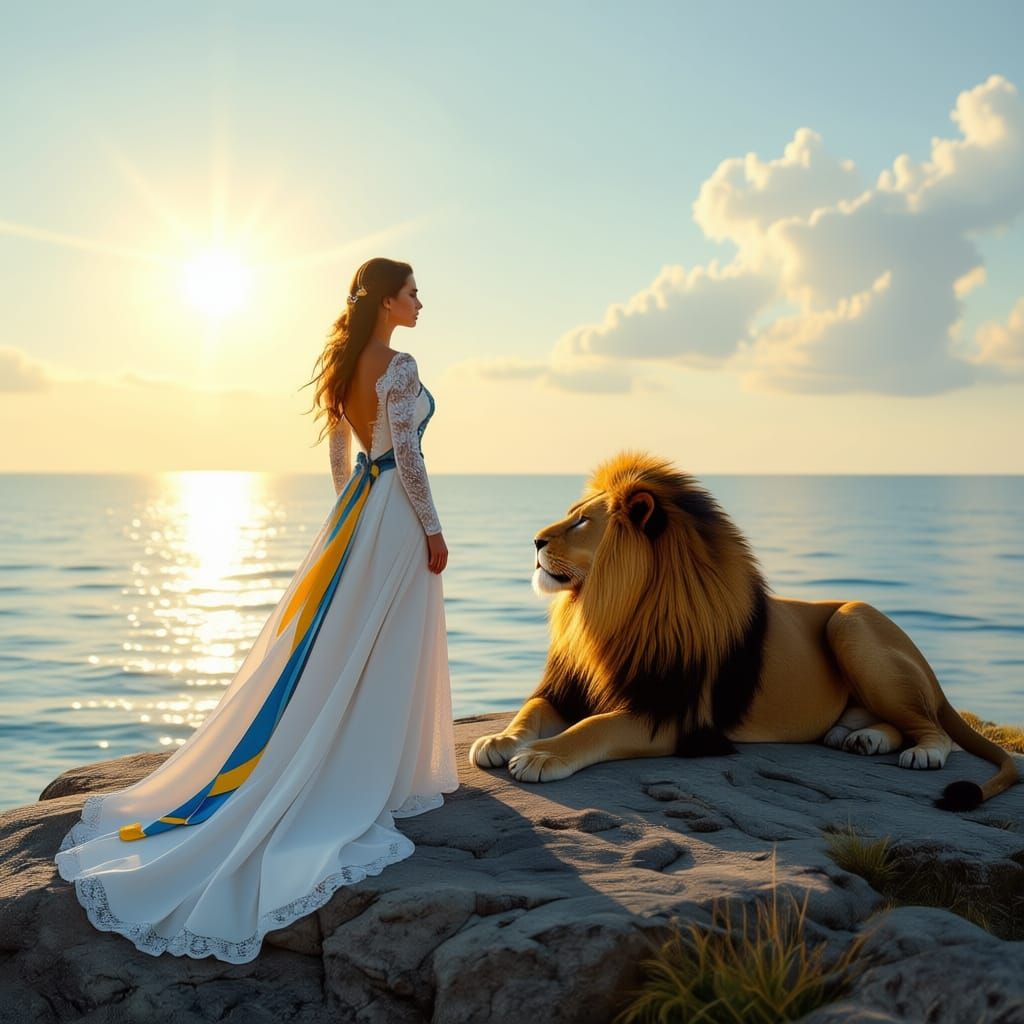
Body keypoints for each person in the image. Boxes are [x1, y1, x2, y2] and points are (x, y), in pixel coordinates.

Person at [54, 257, 459, 963]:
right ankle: (378, 771)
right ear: (389, 302)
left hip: (363, 511)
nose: (421, 302)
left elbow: (343, 449)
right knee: (388, 640)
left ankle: (362, 759)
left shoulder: (342, 363)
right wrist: (430, 527)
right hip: (394, 515)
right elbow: (412, 460)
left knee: (350, 640)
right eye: (413, 293)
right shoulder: (400, 364)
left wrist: (348, 511)